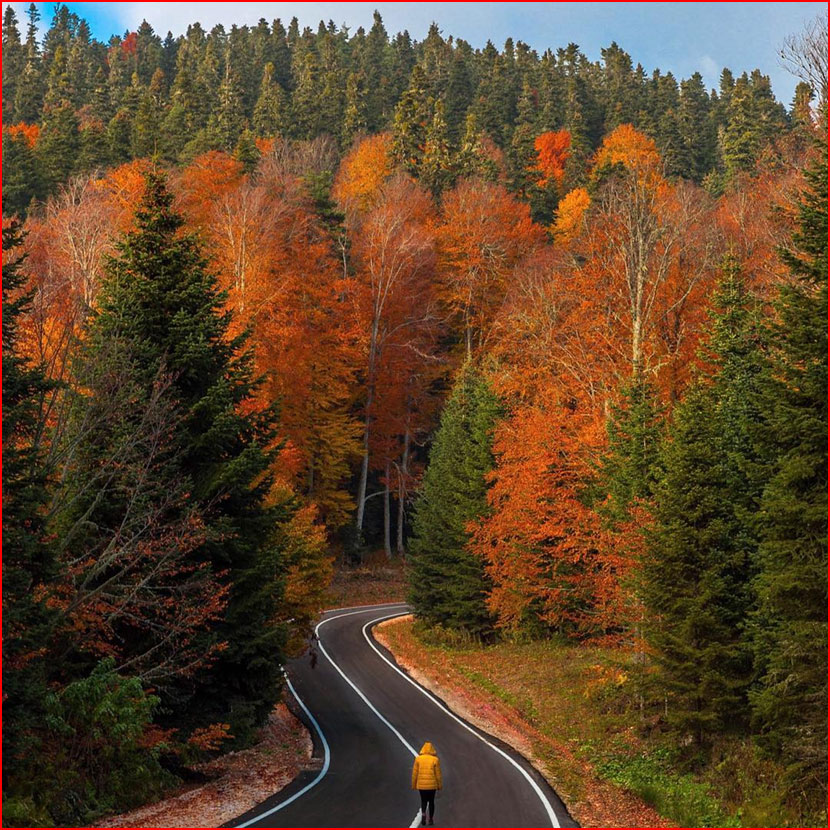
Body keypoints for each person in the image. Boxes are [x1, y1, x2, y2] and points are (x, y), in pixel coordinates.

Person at [411, 741, 442, 826]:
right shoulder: (435, 760)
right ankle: (431, 819)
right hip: (432, 786)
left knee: (423, 800)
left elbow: (415, 773)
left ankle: (424, 813)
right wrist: (439, 785)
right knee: (431, 801)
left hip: (421, 785)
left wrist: (414, 785)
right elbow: (438, 774)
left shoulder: (418, 759)